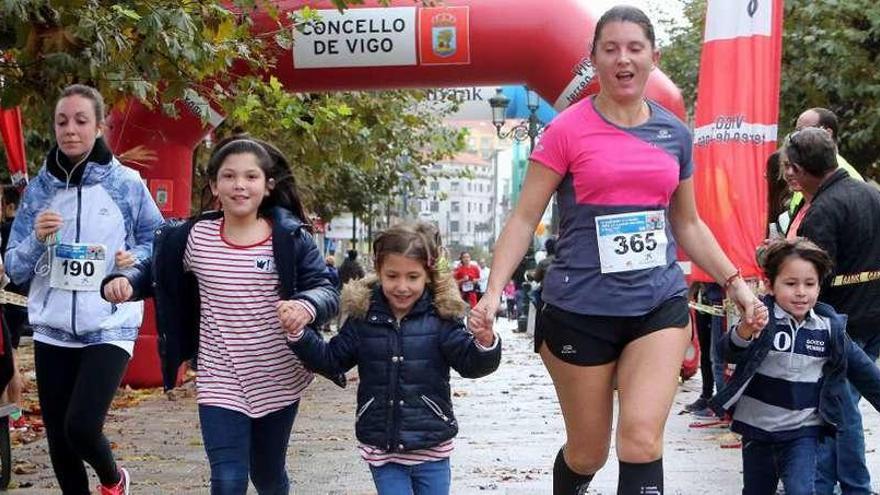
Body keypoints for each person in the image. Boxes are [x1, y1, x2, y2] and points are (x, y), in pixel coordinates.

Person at [467, 7, 767, 494]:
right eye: (610, 49)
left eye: (634, 48)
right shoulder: (567, 130)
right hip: (579, 309)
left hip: (657, 304)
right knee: (589, 451)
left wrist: (737, 285)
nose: (622, 59)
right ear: (593, 60)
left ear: (653, 57)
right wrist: (491, 291)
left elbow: (687, 222)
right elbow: (524, 217)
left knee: (642, 440)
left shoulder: (674, 134)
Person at [102, 136, 338, 494]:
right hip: (219, 376)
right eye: (228, 176)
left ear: (268, 185)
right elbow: (155, 267)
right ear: (214, 185)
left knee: (268, 476)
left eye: (250, 177)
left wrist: (306, 306)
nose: (239, 185)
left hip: (276, 376)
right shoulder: (195, 236)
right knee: (228, 479)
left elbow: (325, 288)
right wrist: (126, 281)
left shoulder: (288, 238)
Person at [5, 84, 164, 495]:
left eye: (80, 121)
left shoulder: (127, 184)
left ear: (98, 127)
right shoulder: (39, 190)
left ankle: (113, 479)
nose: (70, 130)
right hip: (52, 325)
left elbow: (157, 241)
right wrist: (37, 239)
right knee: (58, 438)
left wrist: (135, 262)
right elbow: (13, 266)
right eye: (62, 121)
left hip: (109, 323)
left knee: (82, 425)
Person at [286, 221, 501, 495]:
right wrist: (299, 335)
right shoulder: (363, 317)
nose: (402, 287)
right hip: (382, 448)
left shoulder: (442, 316)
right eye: (392, 276)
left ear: (427, 274)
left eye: (412, 277)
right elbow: (332, 360)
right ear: (378, 271)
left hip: (432, 446)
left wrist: (485, 343)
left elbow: (470, 364)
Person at [709, 238, 880, 495]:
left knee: (802, 489)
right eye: (791, 284)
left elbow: (864, 372)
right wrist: (745, 331)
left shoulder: (829, 329)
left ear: (819, 286)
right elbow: (726, 352)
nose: (801, 292)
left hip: (804, 433)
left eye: (810, 284)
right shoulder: (760, 319)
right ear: (770, 285)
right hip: (758, 432)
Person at [785, 127, 880, 494]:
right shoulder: (870, 193)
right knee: (845, 404)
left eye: (791, 167)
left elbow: (813, 279)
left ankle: (849, 486)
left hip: (841, 323)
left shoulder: (823, 210)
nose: (788, 174)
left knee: (837, 410)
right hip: (871, 316)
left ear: (803, 168)